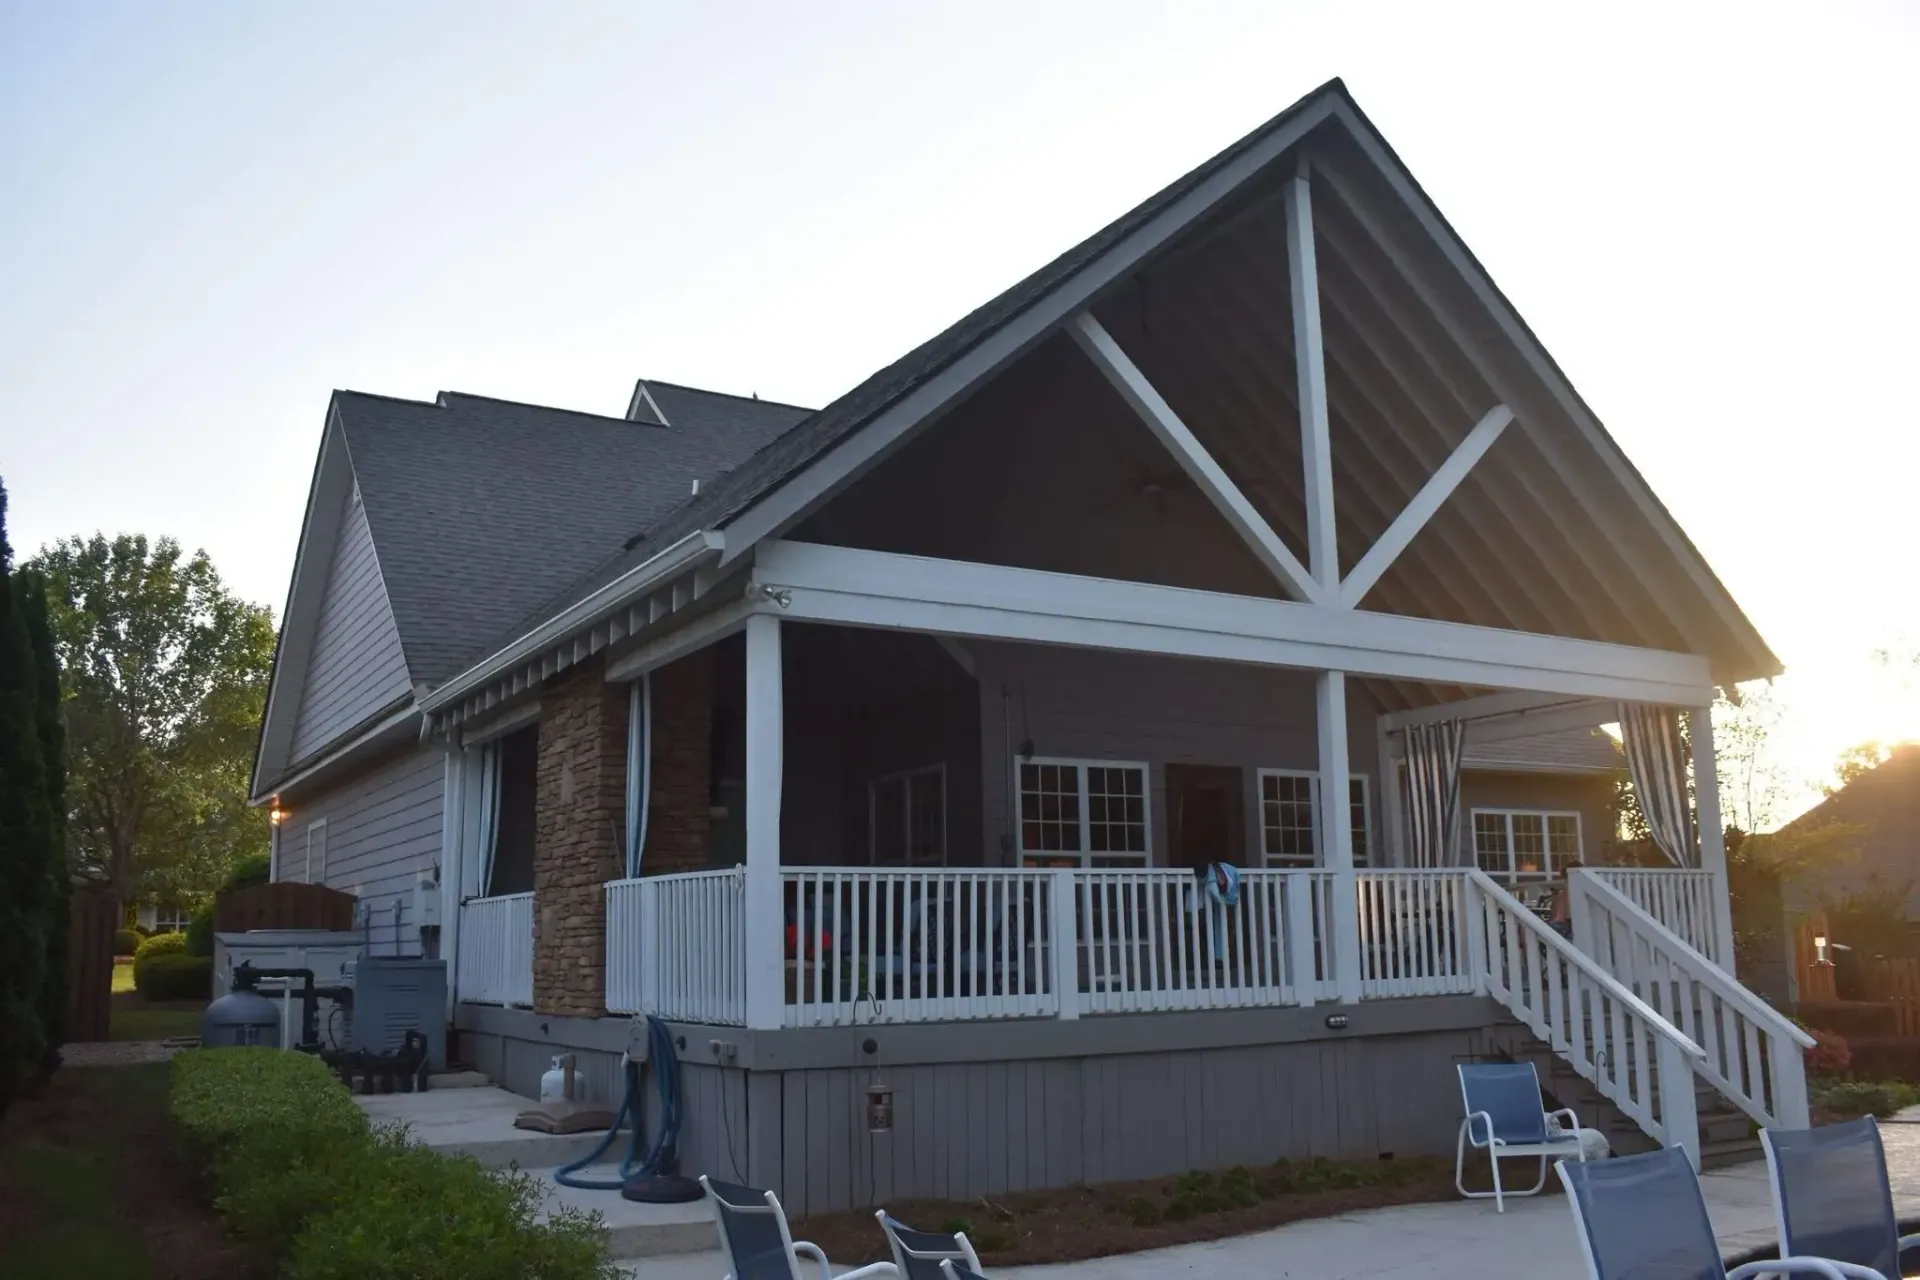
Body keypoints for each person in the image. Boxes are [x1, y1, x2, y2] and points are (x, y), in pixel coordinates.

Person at [1550, 861, 1583, 937]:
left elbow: (1555, 914)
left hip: (1562, 926)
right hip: (1568, 926)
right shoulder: (1578, 891)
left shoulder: (1564, 892)